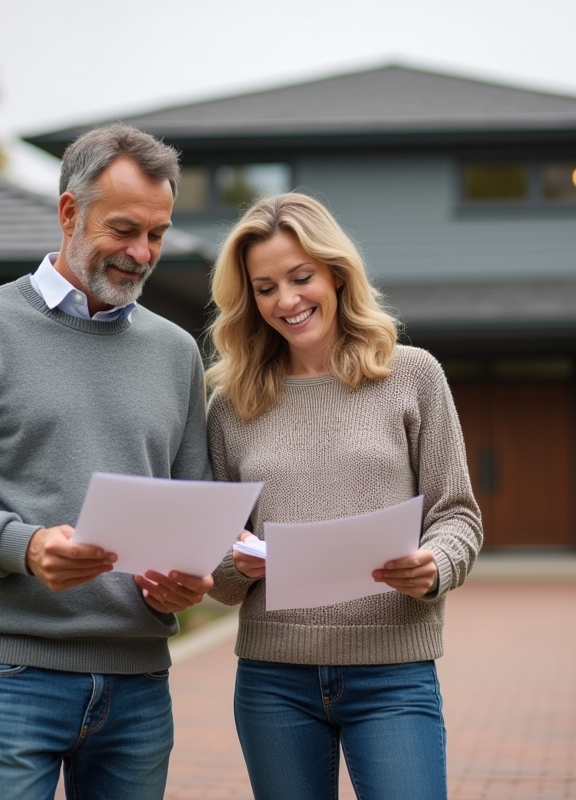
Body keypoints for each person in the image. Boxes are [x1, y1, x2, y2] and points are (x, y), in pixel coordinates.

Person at [0, 123, 214, 800]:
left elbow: (194, 503)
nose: (142, 252)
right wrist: (26, 545)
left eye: (157, 234)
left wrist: (190, 577)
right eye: (125, 229)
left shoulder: (176, 351)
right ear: (70, 211)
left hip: (139, 684)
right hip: (12, 676)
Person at [204, 192, 483, 800]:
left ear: (336, 272)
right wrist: (237, 563)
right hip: (274, 680)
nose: (287, 300)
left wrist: (434, 564)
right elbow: (217, 563)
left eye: (301, 277)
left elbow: (456, 514)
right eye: (265, 286)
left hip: (393, 673)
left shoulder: (412, 375)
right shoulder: (230, 405)